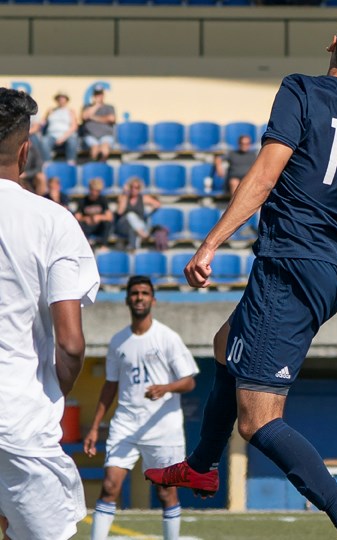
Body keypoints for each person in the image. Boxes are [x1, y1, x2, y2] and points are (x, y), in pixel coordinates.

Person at [143, 10, 337, 540]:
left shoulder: (300, 90)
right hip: (330, 265)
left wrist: (210, 243)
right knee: (227, 344)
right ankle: (201, 464)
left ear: (332, 43)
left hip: (289, 263)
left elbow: (266, 173)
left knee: (259, 420)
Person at [0, 88, 100, 540]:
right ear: (26, 150)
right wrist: (56, 384)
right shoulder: (52, 220)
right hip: (19, 421)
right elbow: (71, 343)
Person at [84, 275, 199, 540]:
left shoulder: (167, 338)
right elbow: (110, 386)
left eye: (144, 293)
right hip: (125, 423)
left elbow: (190, 382)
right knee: (110, 486)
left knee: (165, 491)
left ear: (153, 300)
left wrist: (165, 388)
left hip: (162, 427)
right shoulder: (117, 341)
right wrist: (94, 427)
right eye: (134, 293)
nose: (139, 298)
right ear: (127, 299)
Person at [115, 177, 161, 252]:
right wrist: (125, 194)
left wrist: (149, 209)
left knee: (135, 229)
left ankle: (135, 247)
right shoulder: (124, 197)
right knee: (130, 215)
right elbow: (120, 212)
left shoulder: (143, 198)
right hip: (124, 225)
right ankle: (143, 234)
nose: (134, 189)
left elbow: (157, 204)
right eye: (131, 187)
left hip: (136, 227)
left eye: (137, 187)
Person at [42, 91, 80, 165]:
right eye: (59, 98)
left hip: (66, 135)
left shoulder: (70, 111)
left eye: (63, 98)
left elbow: (74, 127)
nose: (61, 100)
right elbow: (43, 123)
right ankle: (47, 163)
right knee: (44, 141)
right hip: (52, 135)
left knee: (73, 141)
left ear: (66, 100)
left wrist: (63, 137)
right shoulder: (51, 110)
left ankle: (71, 162)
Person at [75, 177, 114, 248]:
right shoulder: (83, 200)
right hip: (87, 227)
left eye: (98, 191)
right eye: (93, 190)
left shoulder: (103, 200)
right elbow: (77, 217)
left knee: (107, 224)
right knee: (79, 226)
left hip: (98, 227)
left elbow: (110, 217)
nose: (95, 193)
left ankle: (104, 245)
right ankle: (84, 246)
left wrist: (100, 217)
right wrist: (85, 219)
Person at [81, 86, 116, 162]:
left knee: (104, 149)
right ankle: (94, 169)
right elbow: (84, 116)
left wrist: (93, 117)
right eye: (96, 95)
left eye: (100, 95)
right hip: (91, 136)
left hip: (106, 135)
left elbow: (111, 119)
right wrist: (96, 106)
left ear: (103, 95)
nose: (98, 97)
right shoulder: (87, 107)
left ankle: (101, 168)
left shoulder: (109, 107)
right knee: (95, 149)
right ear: (93, 96)